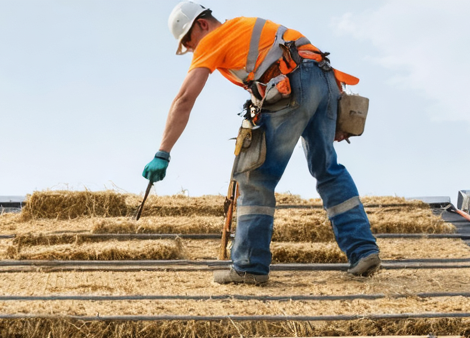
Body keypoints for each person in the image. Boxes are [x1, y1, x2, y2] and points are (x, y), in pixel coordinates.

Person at [143, 4, 380, 286]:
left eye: (188, 42)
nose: (193, 50)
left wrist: (163, 152)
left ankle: (249, 267)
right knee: (328, 170)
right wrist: (330, 113)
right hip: (325, 81)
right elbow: (304, 61)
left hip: (293, 83)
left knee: (255, 176)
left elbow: (184, 100)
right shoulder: (244, 27)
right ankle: (363, 251)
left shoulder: (214, 39)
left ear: (202, 25)